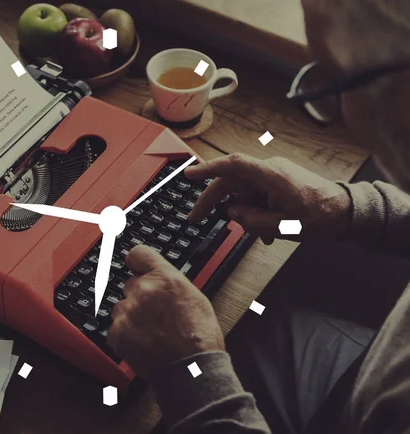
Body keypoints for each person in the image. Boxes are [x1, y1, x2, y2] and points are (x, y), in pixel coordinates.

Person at [106, 0, 410, 433]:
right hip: (366, 368)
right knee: (263, 327)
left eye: (334, 80)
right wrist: (348, 209)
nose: (344, 115)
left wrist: (190, 375)